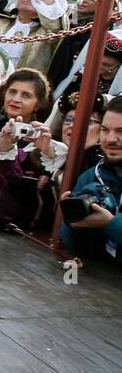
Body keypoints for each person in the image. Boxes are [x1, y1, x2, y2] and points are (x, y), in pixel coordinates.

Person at [61, 95, 122, 264]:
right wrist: (74, 222)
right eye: (105, 130)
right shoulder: (93, 175)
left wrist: (111, 223)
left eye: (121, 131)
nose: (110, 139)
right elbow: (71, 244)